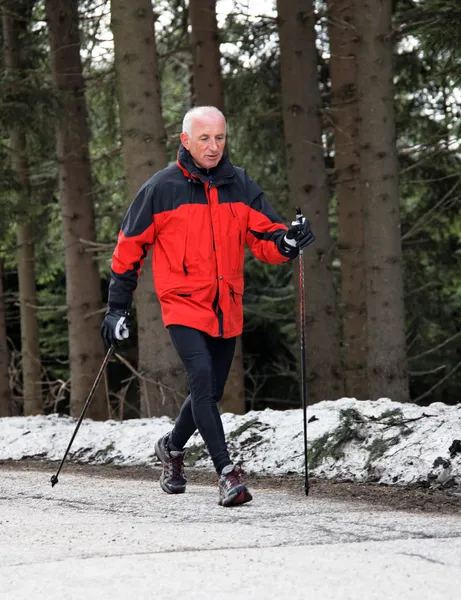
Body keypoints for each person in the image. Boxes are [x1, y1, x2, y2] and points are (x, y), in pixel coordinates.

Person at [101, 106, 315, 507]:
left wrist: (288, 243)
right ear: (185, 140)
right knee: (201, 377)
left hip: (226, 305)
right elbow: (129, 249)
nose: (213, 146)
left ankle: (172, 447)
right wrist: (116, 308)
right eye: (204, 138)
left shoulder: (240, 185)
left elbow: (266, 235)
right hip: (181, 303)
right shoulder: (161, 189)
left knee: (210, 390)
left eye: (219, 137)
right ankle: (227, 473)